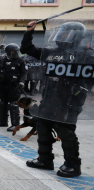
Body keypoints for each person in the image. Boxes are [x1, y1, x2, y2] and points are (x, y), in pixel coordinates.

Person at [21, 21, 93, 178]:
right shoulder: (51, 52)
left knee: (66, 133)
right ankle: (45, 159)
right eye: (62, 32)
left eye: (66, 33)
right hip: (49, 98)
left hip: (69, 101)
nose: (62, 36)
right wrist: (29, 31)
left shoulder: (85, 55)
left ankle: (72, 165)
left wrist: (80, 89)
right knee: (42, 128)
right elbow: (26, 49)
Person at [0, 43, 27, 131]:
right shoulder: (2, 60)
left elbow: (24, 73)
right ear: (8, 52)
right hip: (2, 85)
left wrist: (22, 82)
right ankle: (3, 121)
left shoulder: (20, 61)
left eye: (16, 51)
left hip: (14, 86)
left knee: (13, 104)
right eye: (13, 51)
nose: (15, 53)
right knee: (2, 103)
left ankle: (15, 125)